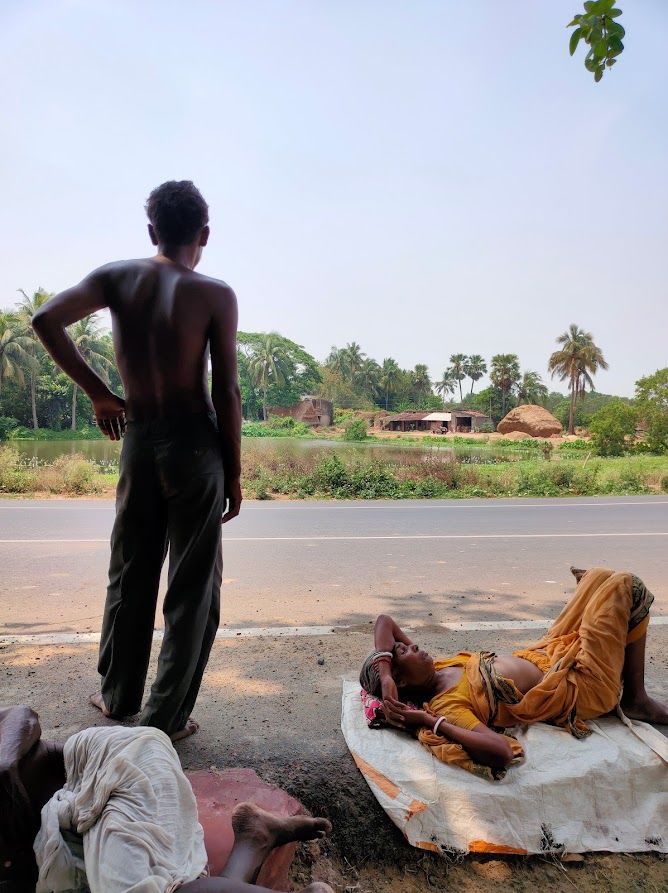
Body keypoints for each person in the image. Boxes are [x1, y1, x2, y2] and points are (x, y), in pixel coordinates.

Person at [32, 181, 242, 741]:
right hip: (196, 445)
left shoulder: (116, 277)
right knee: (192, 587)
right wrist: (236, 473)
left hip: (140, 438)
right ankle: (164, 720)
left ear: (152, 231)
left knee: (130, 571)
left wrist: (100, 393)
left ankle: (117, 698)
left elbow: (45, 320)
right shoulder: (215, 294)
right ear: (204, 235)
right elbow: (226, 394)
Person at [359, 567, 668, 779]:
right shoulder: (446, 706)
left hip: (551, 652)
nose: (411, 646)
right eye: (403, 651)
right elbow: (501, 752)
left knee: (599, 577)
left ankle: (596, 597)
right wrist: (430, 722)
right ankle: (635, 699)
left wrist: (384, 672)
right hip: (580, 684)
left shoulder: (435, 667)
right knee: (624, 585)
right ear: (403, 681)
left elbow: (384, 620)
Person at [0, 706, 333, 893]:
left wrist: (4, 763)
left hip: (110, 762)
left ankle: (258, 839)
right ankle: (254, 838)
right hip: (73, 815)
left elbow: (21, 716)